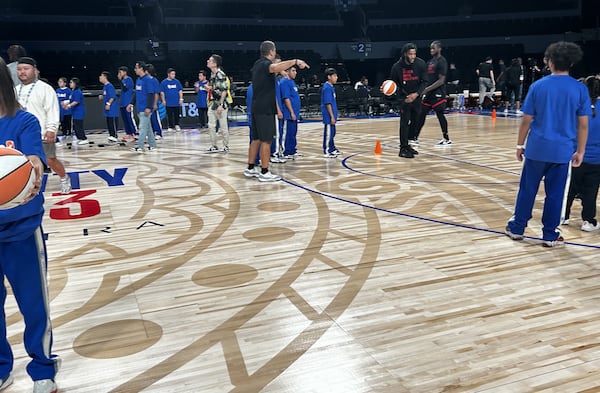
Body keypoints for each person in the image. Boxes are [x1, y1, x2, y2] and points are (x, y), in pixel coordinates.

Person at [0, 56, 61, 393]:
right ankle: (1, 367)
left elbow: (35, 158)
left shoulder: (22, 121)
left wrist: (32, 171)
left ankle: (42, 367)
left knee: (33, 303)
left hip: (21, 227)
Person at [505, 41, 590, 247]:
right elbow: (583, 125)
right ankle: (550, 235)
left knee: (527, 189)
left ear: (549, 62)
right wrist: (580, 151)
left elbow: (526, 119)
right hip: (562, 152)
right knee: (555, 194)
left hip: (536, 149)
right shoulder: (579, 89)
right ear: (571, 63)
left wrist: (519, 145)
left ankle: (517, 228)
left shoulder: (538, 86)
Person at [243, 40, 309, 182]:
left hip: (256, 107)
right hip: (265, 108)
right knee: (266, 140)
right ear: (271, 51)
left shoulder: (257, 64)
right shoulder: (266, 64)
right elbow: (275, 67)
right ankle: (265, 171)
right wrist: (295, 61)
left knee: (256, 139)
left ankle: (250, 168)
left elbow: (275, 68)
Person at [16, 57, 71, 194]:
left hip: (41, 132)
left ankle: (64, 178)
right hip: (20, 133)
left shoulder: (45, 88)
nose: (22, 72)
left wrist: (52, 129)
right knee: (23, 162)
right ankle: (27, 186)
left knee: (50, 159)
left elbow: (52, 110)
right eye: (19, 69)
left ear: (34, 70)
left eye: (26, 69)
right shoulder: (14, 90)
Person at [563, 76, 600, 231]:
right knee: (591, 190)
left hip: (574, 155)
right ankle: (588, 220)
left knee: (569, 188)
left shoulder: (575, 106)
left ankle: (563, 215)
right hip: (596, 158)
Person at [389, 42, 427, 158]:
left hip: (416, 97)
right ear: (405, 54)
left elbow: (424, 82)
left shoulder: (420, 64)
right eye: (410, 54)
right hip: (404, 99)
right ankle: (403, 148)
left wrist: (416, 94)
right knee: (404, 123)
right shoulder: (396, 67)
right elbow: (393, 84)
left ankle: (409, 143)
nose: (412, 57)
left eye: (414, 54)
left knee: (416, 121)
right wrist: (388, 89)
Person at [415, 40, 451, 146]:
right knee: (421, 115)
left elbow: (441, 81)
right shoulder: (430, 62)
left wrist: (427, 89)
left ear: (439, 49)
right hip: (429, 94)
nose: (431, 50)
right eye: (430, 48)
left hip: (438, 93)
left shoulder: (442, 61)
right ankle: (414, 137)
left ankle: (446, 138)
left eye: (433, 48)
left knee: (440, 115)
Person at [129, 61, 157, 153]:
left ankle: (140, 146)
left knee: (142, 127)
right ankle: (153, 145)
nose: (135, 70)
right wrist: (131, 103)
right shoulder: (138, 80)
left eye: (136, 68)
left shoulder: (148, 80)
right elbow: (136, 93)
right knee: (148, 127)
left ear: (141, 68)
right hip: (140, 107)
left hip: (145, 108)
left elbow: (151, 94)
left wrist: (149, 107)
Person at [206, 54, 231, 152]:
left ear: (215, 64)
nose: (208, 61)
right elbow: (215, 89)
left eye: (210, 60)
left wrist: (221, 105)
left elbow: (224, 91)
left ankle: (225, 145)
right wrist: (210, 89)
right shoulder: (212, 75)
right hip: (213, 103)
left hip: (220, 104)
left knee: (223, 125)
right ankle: (214, 145)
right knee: (211, 125)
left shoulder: (221, 74)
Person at [281, 65, 302, 158]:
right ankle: (285, 152)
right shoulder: (284, 82)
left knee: (293, 132)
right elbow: (286, 98)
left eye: (295, 71)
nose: (295, 72)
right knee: (287, 133)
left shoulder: (292, 82)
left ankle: (292, 151)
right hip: (288, 113)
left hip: (295, 113)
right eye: (293, 70)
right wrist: (291, 112)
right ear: (287, 71)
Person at [321, 68, 341, 158]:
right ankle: (327, 150)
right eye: (334, 76)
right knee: (329, 133)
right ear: (329, 77)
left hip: (333, 114)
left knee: (333, 132)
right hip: (328, 115)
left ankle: (332, 148)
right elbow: (328, 103)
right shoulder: (326, 88)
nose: (336, 78)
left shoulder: (331, 87)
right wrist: (332, 116)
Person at [63, 77, 88, 144]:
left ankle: (84, 138)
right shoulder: (72, 92)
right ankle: (79, 137)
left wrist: (69, 106)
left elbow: (76, 101)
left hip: (79, 111)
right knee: (76, 125)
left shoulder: (78, 92)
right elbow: (71, 100)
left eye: (71, 82)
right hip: (74, 112)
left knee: (79, 125)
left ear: (75, 83)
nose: (70, 84)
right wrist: (65, 103)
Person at [117, 66, 137, 142]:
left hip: (127, 102)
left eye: (120, 72)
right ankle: (128, 132)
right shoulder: (123, 80)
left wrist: (120, 80)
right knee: (125, 119)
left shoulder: (129, 79)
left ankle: (134, 132)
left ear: (125, 72)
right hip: (122, 102)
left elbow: (125, 88)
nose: (119, 74)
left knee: (129, 118)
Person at [160, 67, 184, 132]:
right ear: (168, 74)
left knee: (177, 114)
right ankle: (170, 126)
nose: (173, 75)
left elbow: (180, 90)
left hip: (176, 101)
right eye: (172, 74)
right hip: (168, 102)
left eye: (174, 74)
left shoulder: (177, 82)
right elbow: (162, 92)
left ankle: (177, 125)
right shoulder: (164, 82)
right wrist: (163, 100)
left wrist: (181, 99)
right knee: (169, 115)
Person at [98, 71, 119, 143]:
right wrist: (102, 96)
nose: (100, 77)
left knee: (112, 121)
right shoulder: (105, 87)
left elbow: (112, 96)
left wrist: (108, 104)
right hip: (107, 109)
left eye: (101, 76)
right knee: (109, 122)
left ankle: (114, 135)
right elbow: (107, 95)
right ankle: (111, 135)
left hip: (112, 108)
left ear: (105, 77)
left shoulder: (110, 86)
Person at [145, 64, 163, 140]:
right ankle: (149, 133)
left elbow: (156, 93)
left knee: (154, 118)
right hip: (146, 103)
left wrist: (155, 103)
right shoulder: (144, 80)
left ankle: (158, 132)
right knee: (146, 119)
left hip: (152, 103)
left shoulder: (154, 80)